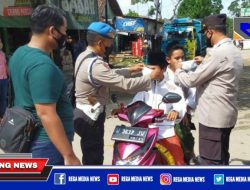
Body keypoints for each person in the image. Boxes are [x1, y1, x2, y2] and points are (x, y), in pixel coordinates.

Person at [73, 22, 162, 165]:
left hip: (83, 111)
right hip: (91, 116)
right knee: (94, 157)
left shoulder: (84, 56)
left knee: (90, 151)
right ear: (100, 42)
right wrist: (150, 77)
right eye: (109, 44)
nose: (109, 49)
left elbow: (107, 74)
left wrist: (130, 70)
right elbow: (125, 85)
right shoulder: (95, 65)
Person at [8, 5, 81, 165]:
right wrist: (69, 155)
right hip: (46, 146)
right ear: (52, 31)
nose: (65, 35)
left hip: (27, 139)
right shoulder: (43, 66)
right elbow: (46, 114)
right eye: (64, 30)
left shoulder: (18, 54)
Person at [172, 14, 243, 165]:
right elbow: (222, 70)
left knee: (210, 163)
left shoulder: (217, 53)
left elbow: (191, 80)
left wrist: (178, 70)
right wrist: (205, 62)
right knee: (222, 157)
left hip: (213, 118)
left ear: (210, 31)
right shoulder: (234, 50)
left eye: (205, 32)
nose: (205, 36)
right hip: (226, 114)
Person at [131, 51, 186, 165]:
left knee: (177, 162)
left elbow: (180, 104)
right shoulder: (145, 85)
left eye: (154, 69)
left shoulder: (172, 86)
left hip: (165, 131)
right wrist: (124, 109)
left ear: (163, 69)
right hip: (146, 132)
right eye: (149, 68)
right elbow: (135, 102)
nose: (150, 72)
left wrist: (175, 111)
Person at [165, 43, 197, 165]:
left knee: (185, 138)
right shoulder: (164, 74)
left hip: (183, 114)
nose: (180, 61)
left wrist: (184, 111)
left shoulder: (186, 73)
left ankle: (190, 157)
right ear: (168, 60)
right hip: (165, 114)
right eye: (177, 58)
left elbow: (192, 93)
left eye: (182, 58)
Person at [0, 37, 8, 120]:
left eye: (0, 41)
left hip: (4, 79)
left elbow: (5, 65)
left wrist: (10, 74)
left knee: (3, 98)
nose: (0, 43)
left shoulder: (2, 53)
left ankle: (3, 116)